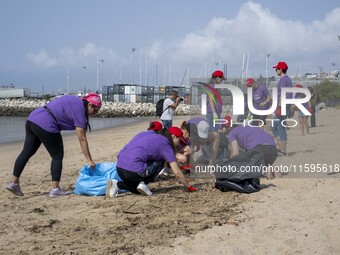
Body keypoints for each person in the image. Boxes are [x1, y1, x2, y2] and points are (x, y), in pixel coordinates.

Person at [6, 93, 102, 197]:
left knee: (27, 152)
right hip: (47, 123)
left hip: (33, 118)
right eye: (95, 110)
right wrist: (89, 160)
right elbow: (82, 139)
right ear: (89, 105)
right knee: (57, 156)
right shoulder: (80, 113)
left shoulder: (74, 100)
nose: (95, 113)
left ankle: (13, 183)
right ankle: (55, 189)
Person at [106, 126, 197, 197]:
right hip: (133, 172)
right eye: (179, 140)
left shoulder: (148, 135)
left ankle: (118, 185)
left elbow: (121, 153)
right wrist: (189, 187)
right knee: (162, 159)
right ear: (173, 137)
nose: (179, 143)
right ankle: (143, 183)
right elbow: (177, 173)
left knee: (138, 190)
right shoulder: (166, 145)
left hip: (120, 168)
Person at [271, 61, 293, 156]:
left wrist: (279, 106)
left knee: (281, 127)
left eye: (277, 69)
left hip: (283, 106)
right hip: (283, 105)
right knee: (275, 127)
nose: (276, 70)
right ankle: (280, 148)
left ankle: (283, 150)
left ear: (281, 69)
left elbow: (283, 93)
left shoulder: (284, 79)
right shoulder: (286, 79)